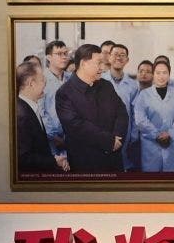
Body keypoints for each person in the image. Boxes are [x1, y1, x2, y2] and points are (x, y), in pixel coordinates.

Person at [55, 43, 128, 173]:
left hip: (113, 158)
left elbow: (121, 113)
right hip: (85, 163)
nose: (103, 68)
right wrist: (109, 141)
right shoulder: (64, 93)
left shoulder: (106, 86)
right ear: (83, 63)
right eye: (99, 63)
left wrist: (117, 139)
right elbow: (76, 126)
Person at [133, 61, 174, 172]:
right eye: (158, 73)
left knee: (171, 179)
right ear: (153, 74)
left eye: (164, 73)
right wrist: (156, 134)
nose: (161, 76)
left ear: (169, 74)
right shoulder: (144, 95)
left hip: (171, 145)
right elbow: (140, 119)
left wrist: (170, 134)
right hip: (150, 146)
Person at [16, 61, 67, 174]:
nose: (45, 83)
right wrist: (53, 161)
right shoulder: (22, 116)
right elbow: (23, 159)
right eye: (43, 79)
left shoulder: (28, 107)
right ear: (31, 83)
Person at [103, 44, 141, 171]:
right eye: (115, 54)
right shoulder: (100, 80)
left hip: (126, 133)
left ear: (127, 60)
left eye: (122, 55)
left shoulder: (133, 85)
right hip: (103, 132)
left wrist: (133, 136)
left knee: (122, 166)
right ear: (109, 57)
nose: (118, 58)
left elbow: (135, 113)